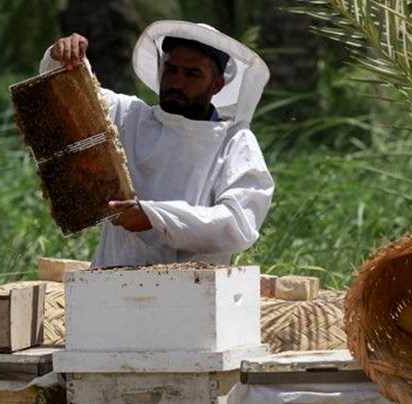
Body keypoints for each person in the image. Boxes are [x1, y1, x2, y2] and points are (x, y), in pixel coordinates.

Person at [43, 20, 273, 267]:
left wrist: (155, 217)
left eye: (192, 74)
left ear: (216, 85)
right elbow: (74, 97)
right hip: (110, 283)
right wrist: (63, 56)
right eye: (171, 69)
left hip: (193, 293)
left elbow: (238, 225)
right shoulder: (129, 117)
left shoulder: (235, 143)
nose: (176, 82)